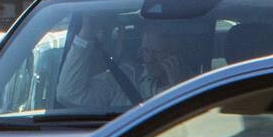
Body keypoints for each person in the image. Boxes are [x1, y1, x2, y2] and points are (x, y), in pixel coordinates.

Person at [55, 17, 202, 111]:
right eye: (145, 51)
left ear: (175, 55)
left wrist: (177, 88)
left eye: (157, 53)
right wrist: (86, 34)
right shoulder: (125, 77)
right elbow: (69, 95)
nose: (149, 59)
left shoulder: (200, 85)